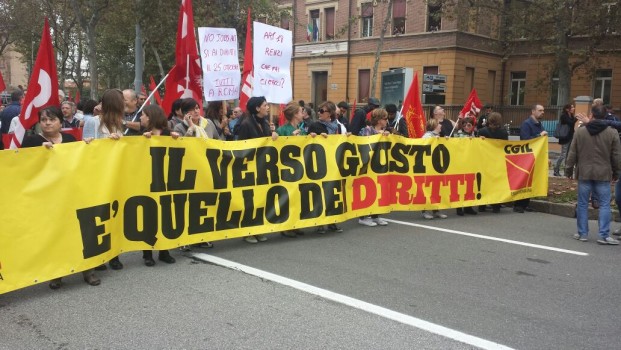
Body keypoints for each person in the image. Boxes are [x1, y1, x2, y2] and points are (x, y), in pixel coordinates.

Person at [21, 106, 101, 289]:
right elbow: (22, 168)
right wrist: (37, 154)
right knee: (57, 235)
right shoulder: (31, 141)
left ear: (60, 122)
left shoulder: (71, 139)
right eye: (43, 120)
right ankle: (58, 273)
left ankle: (88, 270)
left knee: (80, 233)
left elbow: (80, 163)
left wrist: (88, 147)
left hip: (73, 195)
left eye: (52, 119)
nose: (47, 123)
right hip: (48, 199)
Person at [566, 105, 621, 245]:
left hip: (584, 172)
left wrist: (568, 170)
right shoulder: (612, 133)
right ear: (605, 115)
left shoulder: (580, 132)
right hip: (603, 173)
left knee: (583, 204)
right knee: (604, 205)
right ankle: (604, 235)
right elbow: (616, 156)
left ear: (591, 115)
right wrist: (617, 172)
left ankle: (582, 233)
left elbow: (572, 153)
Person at [85, 89, 126, 271]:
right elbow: (84, 148)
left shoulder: (119, 124)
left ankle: (114, 254)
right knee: (99, 217)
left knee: (116, 215)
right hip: (97, 177)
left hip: (115, 177)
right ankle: (99, 256)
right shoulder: (93, 122)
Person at [139, 105, 181, 265]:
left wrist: (176, 139)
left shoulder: (168, 135)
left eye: (142, 115)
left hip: (165, 183)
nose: (140, 118)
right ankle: (147, 254)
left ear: (150, 117)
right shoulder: (139, 136)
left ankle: (164, 251)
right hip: (147, 182)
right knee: (148, 217)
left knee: (165, 216)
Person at [236, 96, 278, 243]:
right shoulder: (246, 124)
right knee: (249, 200)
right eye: (265, 105)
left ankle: (258, 229)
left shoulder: (266, 123)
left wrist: (273, 134)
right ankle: (248, 231)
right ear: (257, 108)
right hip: (249, 167)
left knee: (261, 198)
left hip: (262, 168)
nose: (268, 107)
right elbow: (241, 146)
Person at [358, 108, 391, 227]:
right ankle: (363, 216)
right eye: (385, 118)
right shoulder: (367, 130)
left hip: (379, 166)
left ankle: (375, 215)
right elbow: (365, 144)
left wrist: (386, 136)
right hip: (368, 165)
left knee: (378, 189)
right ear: (378, 120)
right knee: (367, 189)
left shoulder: (384, 131)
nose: (387, 121)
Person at [514, 104, 548, 213]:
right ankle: (518, 205)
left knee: (530, 181)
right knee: (524, 180)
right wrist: (539, 135)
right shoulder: (526, 124)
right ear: (533, 111)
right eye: (540, 110)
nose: (542, 112)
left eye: (543, 110)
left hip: (535, 156)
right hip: (526, 157)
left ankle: (525, 204)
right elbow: (525, 140)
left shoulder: (539, 124)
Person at [478, 112, 509, 213]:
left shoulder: (482, 131)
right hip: (497, 161)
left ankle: (482, 205)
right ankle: (496, 206)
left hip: (484, 160)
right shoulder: (503, 133)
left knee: (484, 182)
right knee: (496, 183)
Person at [421, 119, 448, 220]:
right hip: (428, 167)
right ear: (434, 126)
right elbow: (424, 146)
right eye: (438, 124)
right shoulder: (427, 136)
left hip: (436, 166)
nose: (440, 126)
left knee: (436, 188)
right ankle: (425, 210)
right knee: (427, 189)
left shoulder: (437, 136)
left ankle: (436, 210)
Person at [452, 117, 478, 216]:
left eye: (469, 125)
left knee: (470, 186)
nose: (467, 127)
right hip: (460, 163)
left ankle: (468, 207)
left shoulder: (474, 134)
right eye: (465, 125)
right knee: (460, 186)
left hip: (470, 163)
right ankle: (459, 207)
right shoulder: (458, 134)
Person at [553, 104, 576, 176]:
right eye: (571, 107)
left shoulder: (571, 116)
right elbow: (571, 123)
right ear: (567, 109)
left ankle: (566, 172)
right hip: (565, 137)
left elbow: (572, 126)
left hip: (570, 137)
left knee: (568, 155)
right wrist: (576, 118)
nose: (573, 108)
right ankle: (556, 170)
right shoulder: (564, 116)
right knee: (563, 155)